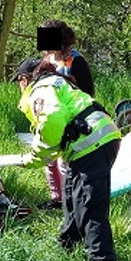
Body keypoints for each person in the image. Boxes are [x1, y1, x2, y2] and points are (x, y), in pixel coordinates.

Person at [13, 57, 122, 261]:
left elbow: (53, 121)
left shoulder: (40, 88)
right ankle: (67, 247)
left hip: (92, 145)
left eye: (19, 82)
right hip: (95, 142)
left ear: (25, 79)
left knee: (90, 211)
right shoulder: (56, 81)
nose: (19, 88)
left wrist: (33, 157)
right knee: (72, 197)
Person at [37, 19, 95, 210]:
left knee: (65, 162)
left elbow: (88, 93)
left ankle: (71, 200)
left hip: (72, 117)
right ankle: (57, 197)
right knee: (50, 159)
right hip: (51, 115)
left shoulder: (76, 60)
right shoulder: (46, 61)